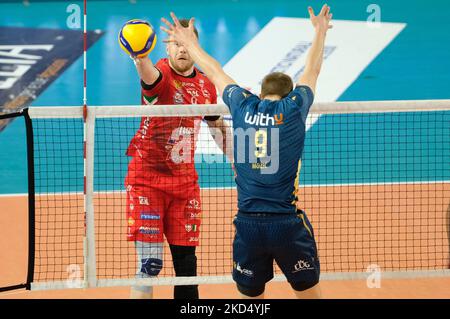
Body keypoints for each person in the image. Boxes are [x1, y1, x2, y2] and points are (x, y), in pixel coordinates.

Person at [160, 4, 332, 298]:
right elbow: (312, 70)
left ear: (259, 93)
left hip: (249, 226)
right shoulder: (294, 109)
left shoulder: (242, 104)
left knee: (251, 301)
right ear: (290, 96)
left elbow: (214, 70)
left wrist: (189, 42)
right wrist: (319, 32)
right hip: (287, 225)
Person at [124, 18, 231, 299]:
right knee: (150, 265)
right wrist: (139, 57)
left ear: (195, 47)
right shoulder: (159, 75)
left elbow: (217, 125)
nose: (181, 49)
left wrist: (237, 160)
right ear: (167, 48)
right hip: (147, 179)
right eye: (175, 44)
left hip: (184, 185)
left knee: (187, 268)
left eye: (187, 43)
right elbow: (148, 76)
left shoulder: (206, 86)